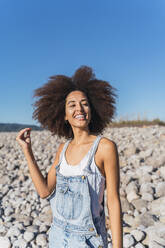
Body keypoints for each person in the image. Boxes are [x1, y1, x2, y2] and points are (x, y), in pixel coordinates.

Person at [16, 66, 123, 248]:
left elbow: (113, 200)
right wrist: (28, 151)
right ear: (64, 115)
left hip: (89, 240)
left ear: (92, 109)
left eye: (84, 103)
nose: (79, 108)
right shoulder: (62, 149)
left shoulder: (105, 147)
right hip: (57, 237)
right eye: (72, 105)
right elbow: (44, 191)